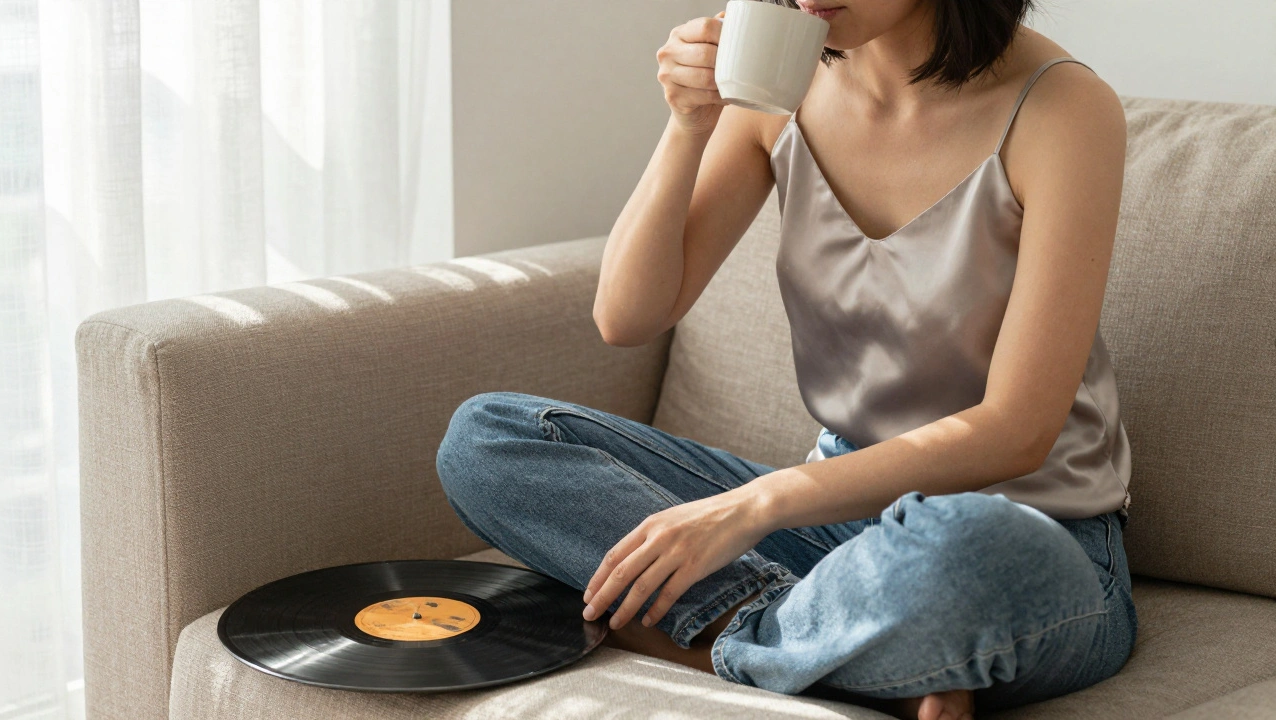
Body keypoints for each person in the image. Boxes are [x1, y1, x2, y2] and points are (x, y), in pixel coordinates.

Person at [436, 0, 1136, 717]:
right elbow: (627, 315)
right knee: (486, 438)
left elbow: (1018, 429)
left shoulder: (1062, 109)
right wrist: (689, 123)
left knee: (968, 549)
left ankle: (723, 643)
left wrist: (755, 505)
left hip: (1026, 535)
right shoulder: (783, 84)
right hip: (831, 525)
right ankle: (833, 647)